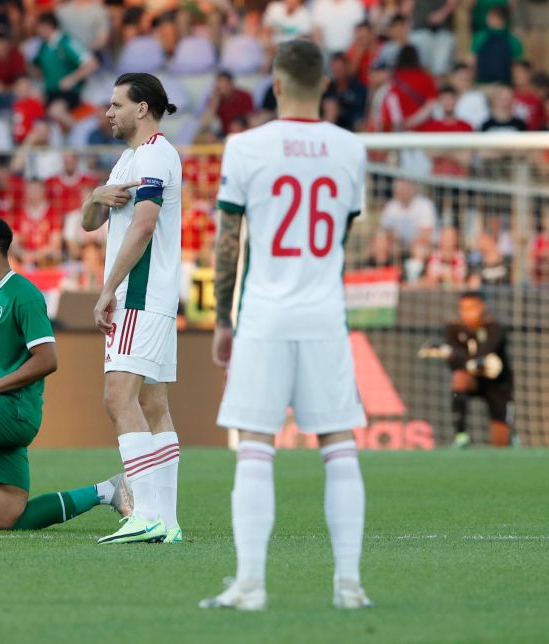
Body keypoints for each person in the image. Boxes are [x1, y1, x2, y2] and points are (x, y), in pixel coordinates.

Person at [201, 40, 371, 611]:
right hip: (325, 311)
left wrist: (224, 319)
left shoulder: (245, 146)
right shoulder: (350, 149)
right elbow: (344, 238)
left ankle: (250, 584)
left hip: (265, 316)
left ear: (275, 83)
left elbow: (230, 244)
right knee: (339, 444)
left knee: (255, 445)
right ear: (325, 84)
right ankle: (348, 586)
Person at [0, 216, 132, 534]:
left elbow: (47, 359)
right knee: (11, 518)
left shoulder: (24, 294)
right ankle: (108, 491)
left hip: (13, 409)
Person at [82, 73, 182, 545]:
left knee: (117, 398)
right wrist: (95, 197)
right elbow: (88, 223)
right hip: (155, 299)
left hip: (138, 297)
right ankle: (168, 521)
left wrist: (108, 290)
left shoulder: (156, 155)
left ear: (141, 109)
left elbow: (143, 226)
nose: (109, 112)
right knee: (153, 405)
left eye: (116, 104)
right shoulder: (129, 159)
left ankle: (144, 513)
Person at [422, 292, 514, 448]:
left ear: (482, 307)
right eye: (463, 308)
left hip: (496, 384)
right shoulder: (453, 328)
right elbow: (455, 363)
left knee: (501, 442)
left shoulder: (495, 327)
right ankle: (461, 435)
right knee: (459, 378)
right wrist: (448, 353)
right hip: (472, 379)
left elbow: (486, 354)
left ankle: (512, 435)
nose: (467, 312)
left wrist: (454, 355)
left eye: (471, 308)